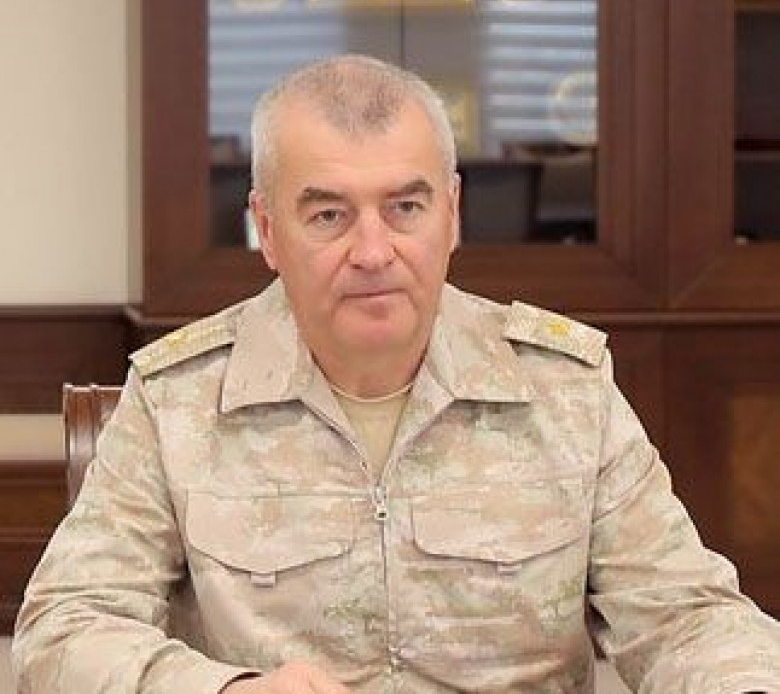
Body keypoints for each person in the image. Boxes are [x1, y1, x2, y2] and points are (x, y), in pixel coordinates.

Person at [12, 54, 780, 694]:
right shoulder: (177, 401)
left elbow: (689, 618)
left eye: (405, 207)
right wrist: (226, 690)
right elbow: (62, 631)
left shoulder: (565, 390)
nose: (374, 252)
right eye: (329, 215)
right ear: (268, 229)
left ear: (452, 212)